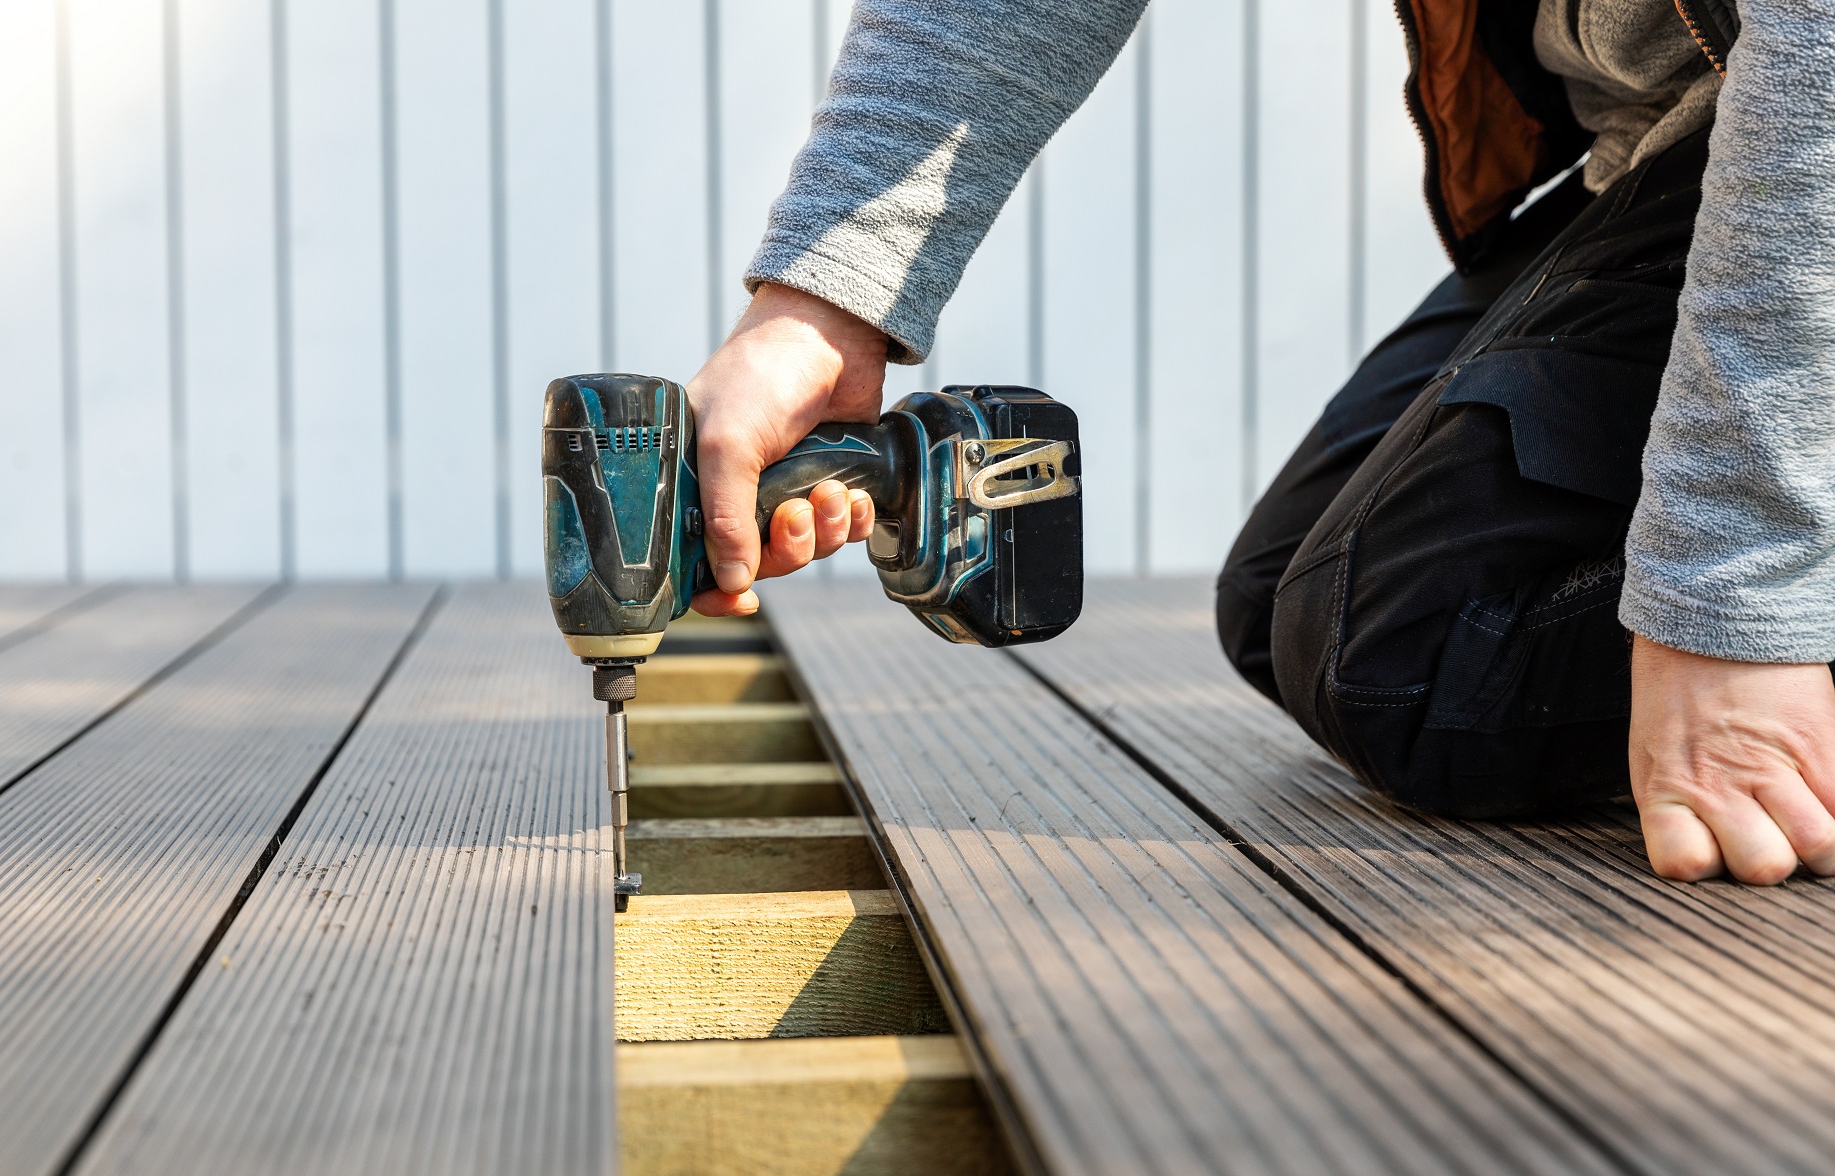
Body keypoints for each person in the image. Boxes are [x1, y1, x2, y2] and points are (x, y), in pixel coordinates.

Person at [682, 0, 1835, 887]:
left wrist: (1735, 598)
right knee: (1287, 601)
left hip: (1800, 129)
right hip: (1678, 146)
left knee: (1422, 660)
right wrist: (820, 309)